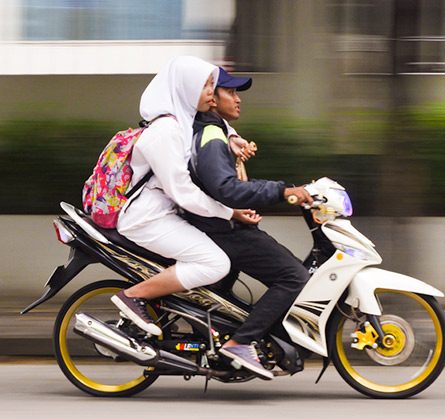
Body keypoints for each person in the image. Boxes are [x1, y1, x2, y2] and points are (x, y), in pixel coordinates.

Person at [110, 57, 258, 336]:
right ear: (185, 88)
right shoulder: (164, 132)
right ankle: (133, 296)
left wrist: (232, 136)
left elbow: (207, 126)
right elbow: (183, 192)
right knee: (215, 263)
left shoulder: (179, 121)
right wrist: (230, 212)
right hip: (147, 220)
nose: (211, 96)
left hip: (164, 215)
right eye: (206, 86)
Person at [182, 67, 313, 380]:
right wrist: (284, 190)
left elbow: (222, 184)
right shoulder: (212, 135)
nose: (238, 100)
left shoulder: (215, 131)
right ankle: (240, 343)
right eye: (232, 92)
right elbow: (225, 188)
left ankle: (239, 336)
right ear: (211, 99)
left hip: (221, 225)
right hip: (222, 231)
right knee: (293, 276)